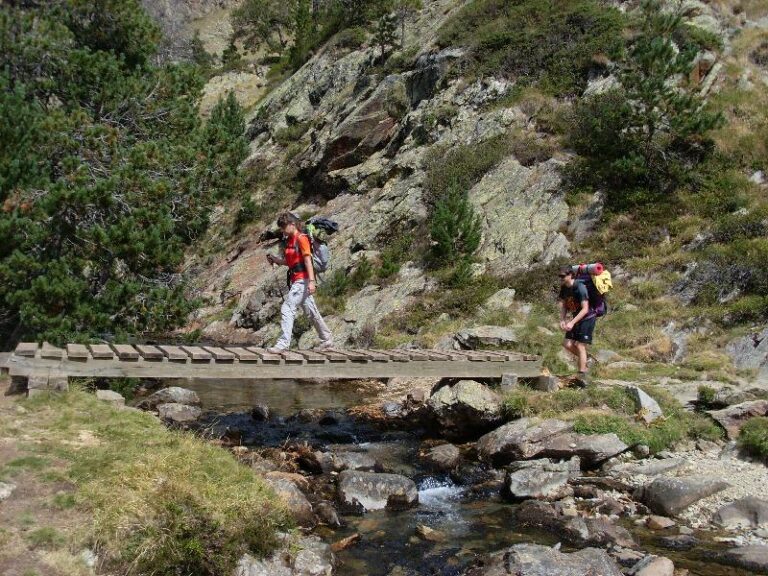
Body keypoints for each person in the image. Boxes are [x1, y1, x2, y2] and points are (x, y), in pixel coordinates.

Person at [266, 212, 334, 352]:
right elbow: (291, 262)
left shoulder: (301, 238)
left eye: (284, 227)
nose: (282, 230)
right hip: (298, 279)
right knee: (312, 313)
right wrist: (276, 259)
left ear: (292, 224)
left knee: (287, 308)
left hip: (303, 280)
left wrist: (311, 281)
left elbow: (308, 260)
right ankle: (327, 341)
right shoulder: (290, 240)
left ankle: (283, 344)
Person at [557, 265, 595, 383]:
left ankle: (582, 374)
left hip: (587, 318)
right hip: (576, 318)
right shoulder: (564, 288)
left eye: (563, 276)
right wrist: (562, 320)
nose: (561, 278)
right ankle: (587, 359)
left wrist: (572, 322)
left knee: (580, 345)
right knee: (567, 343)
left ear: (570, 275)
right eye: (560, 276)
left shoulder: (580, 287)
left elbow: (585, 309)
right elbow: (564, 305)